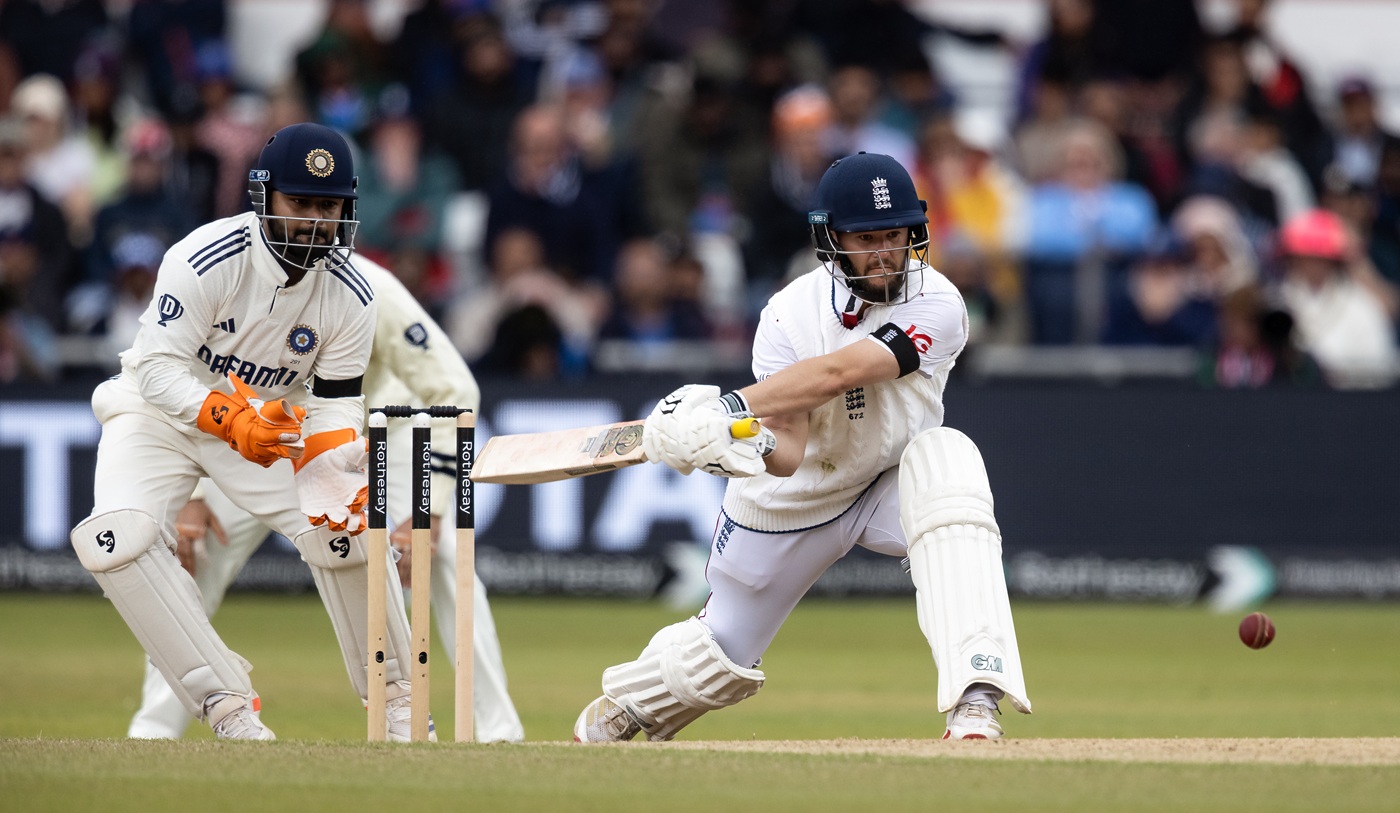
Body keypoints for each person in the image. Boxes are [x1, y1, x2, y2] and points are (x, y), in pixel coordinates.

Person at [572, 152, 1031, 743]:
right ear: (831, 240)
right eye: (867, 238)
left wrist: (729, 408)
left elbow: (844, 370)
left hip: (890, 481)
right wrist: (731, 444)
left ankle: (975, 698)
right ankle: (625, 709)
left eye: (895, 235)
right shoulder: (788, 316)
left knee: (950, 467)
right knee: (718, 658)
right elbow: (786, 449)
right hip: (793, 498)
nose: (885, 252)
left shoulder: (939, 304)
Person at [68, 122, 421, 741]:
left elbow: (338, 401)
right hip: (160, 417)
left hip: (273, 427)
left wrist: (334, 456)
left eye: (328, 206)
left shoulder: (353, 292)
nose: (315, 221)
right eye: (300, 203)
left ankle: (399, 706)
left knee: (345, 523)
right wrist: (227, 418)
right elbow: (155, 368)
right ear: (263, 197)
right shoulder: (205, 259)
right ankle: (225, 706)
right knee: (116, 541)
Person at [126, 259, 525, 743]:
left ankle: (497, 730)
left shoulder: (372, 287)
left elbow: (454, 387)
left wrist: (432, 509)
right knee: (197, 556)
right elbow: (185, 377)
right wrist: (195, 491)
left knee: (439, 556)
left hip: (374, 436)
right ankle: (155, 731)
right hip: (267, 437)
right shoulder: (231, 275)